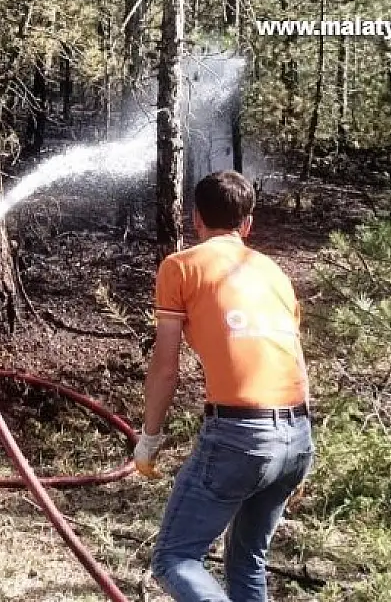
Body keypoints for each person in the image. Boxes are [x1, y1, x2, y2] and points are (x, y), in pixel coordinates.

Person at [133, 171, 314, 602]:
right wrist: (297, 456)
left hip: (240, 436)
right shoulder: (275, 274)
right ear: (247, 224)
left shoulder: (181, 267)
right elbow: (298, 362)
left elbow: (164, 367)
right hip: (297, 434)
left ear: (196, 219)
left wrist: (149, 439)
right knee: (247, 561)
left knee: (174, 560)